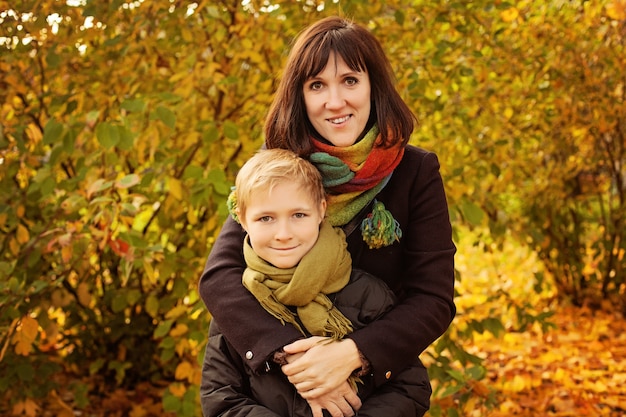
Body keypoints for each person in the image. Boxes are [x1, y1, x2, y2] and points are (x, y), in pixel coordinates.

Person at [199, 15, 456, 417]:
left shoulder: (415, 172)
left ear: (373, 85)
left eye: (350, 80)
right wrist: (298, 362)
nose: (334, 102)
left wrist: (352, 355)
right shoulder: (278, 167)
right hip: (271, 391)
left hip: (375, 392)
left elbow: (433, 299)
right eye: (317, 85)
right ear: (300, 96)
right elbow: (220, 277)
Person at [201, 148, 432, 416]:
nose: (283, 234)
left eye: (298, 215)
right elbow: (220, 399)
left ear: (322, 210)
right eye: (266, 218)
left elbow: (410, 387)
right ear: (242, 220)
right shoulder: (237, 303)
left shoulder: (368, 293)